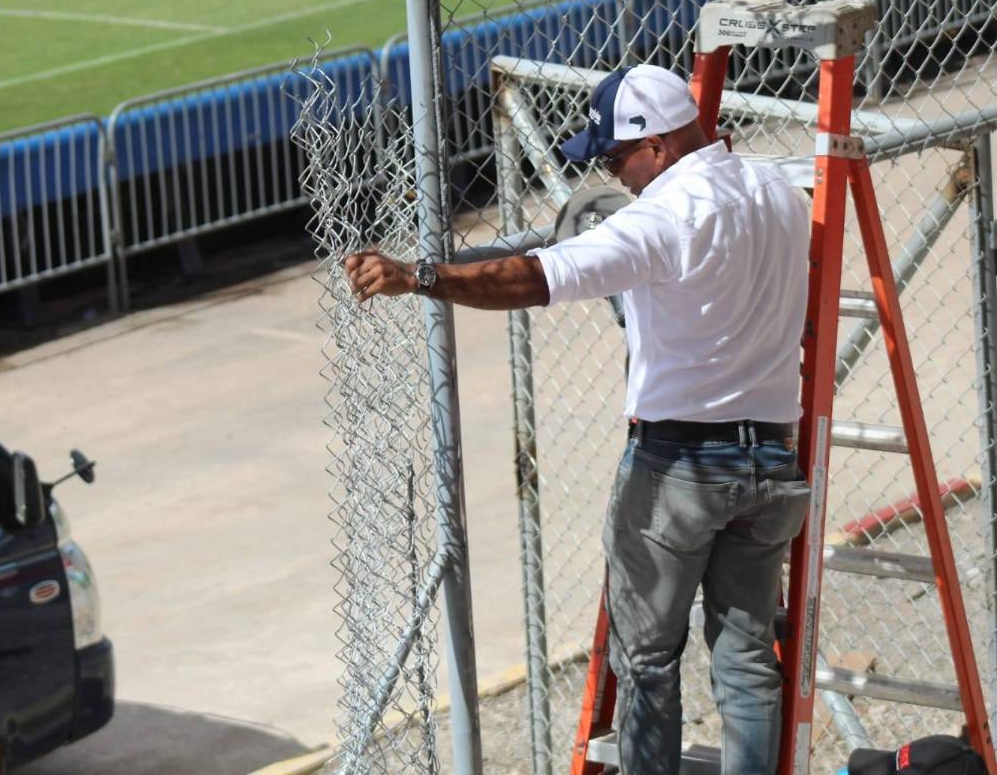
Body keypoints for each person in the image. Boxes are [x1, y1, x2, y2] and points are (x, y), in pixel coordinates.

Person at [345, 63, 812, 775]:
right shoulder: (777, 192)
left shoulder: (661, 217)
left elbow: (537, 276)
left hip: (681, 466)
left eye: (615, 155)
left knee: (648, 659)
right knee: (746, 656)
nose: (612, 173)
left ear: (656, 144)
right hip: (774, 463)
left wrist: (423, 276)